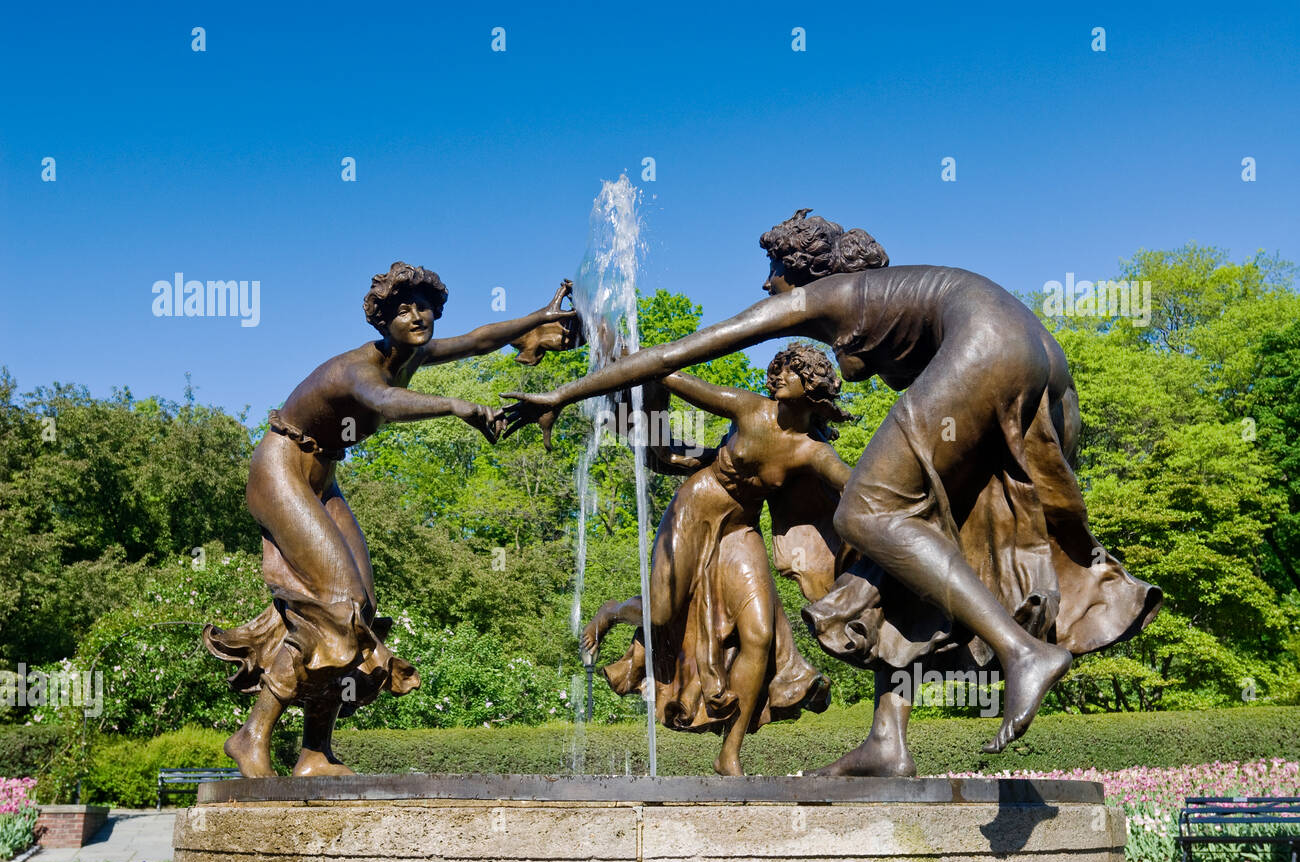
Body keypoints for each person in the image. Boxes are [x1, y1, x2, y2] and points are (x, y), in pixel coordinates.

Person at [505, 211, 1162, 760]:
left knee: (865, 513)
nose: (769, 286)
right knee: (897, 552)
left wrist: (560, 392)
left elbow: (679, 355)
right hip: (1043, 360)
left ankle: (1021, 652)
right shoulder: (890, 295)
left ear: (808, 275)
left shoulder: (829, 295)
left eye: (777, 274)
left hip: (992, 347)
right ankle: (887, 738)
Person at [204, 262, 579, 777]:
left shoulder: (415, 354)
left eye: (424, 306)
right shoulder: (359, 369)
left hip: (321, 477)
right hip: (280, 471)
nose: (416, 315)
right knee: (334, 605)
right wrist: (456, 406)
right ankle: (252, 736)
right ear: (382, 320)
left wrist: (537, 316)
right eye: (402, 309)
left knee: (358, 611)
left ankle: (314, 753)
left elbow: (477, 340)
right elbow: (385, 402)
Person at [580, 344, 848, 775]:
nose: (776, 375)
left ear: (811, 385)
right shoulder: (750, 409)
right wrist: (629, 355)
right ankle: (613, 611)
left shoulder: (812, 451)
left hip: (741, 529)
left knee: (760, 633)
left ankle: (730, 753)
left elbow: (852, 485)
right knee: (663, 610)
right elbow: (672, 376)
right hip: (696, 509)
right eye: (776, 368)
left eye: (789, 370)